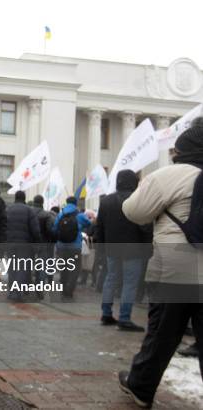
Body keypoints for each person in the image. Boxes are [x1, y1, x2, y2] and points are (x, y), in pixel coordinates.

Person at [117, 118, 203, 408]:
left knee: (162, 336)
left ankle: (141, 388)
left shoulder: (171, 175)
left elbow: (133, 210)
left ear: (183, 151)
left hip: (175, 270)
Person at [95, 170, 152, 332]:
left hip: (112, 248)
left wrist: (101, 249)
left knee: (110, 279)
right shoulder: (137, 198)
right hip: (133, 248)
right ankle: (125, 318)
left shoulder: (106, 201)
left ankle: (106, 313)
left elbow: (100, 226)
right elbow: (145, 226)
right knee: (130, 283)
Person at [52, 196, 91, 300]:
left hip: (61, 246)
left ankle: (64, 289)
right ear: (76, 203)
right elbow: (89, 223)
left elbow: (55, 228)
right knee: (75, 269)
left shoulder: (61, 214)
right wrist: (80, 227)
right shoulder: (80, 215)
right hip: (75, 246)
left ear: (66, 202)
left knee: (64, 268)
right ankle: (69, 290)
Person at [5, 190, 41, 301]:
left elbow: (3, 226)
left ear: (15, 198)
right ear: (24, 199)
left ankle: (11, 292)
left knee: (12, 268)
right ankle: (18, 292)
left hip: (10, 243)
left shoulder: (7, 210)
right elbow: (35, 229)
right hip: (24, 244)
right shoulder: (29, 210)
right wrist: (37, 242)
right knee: (22, 268)